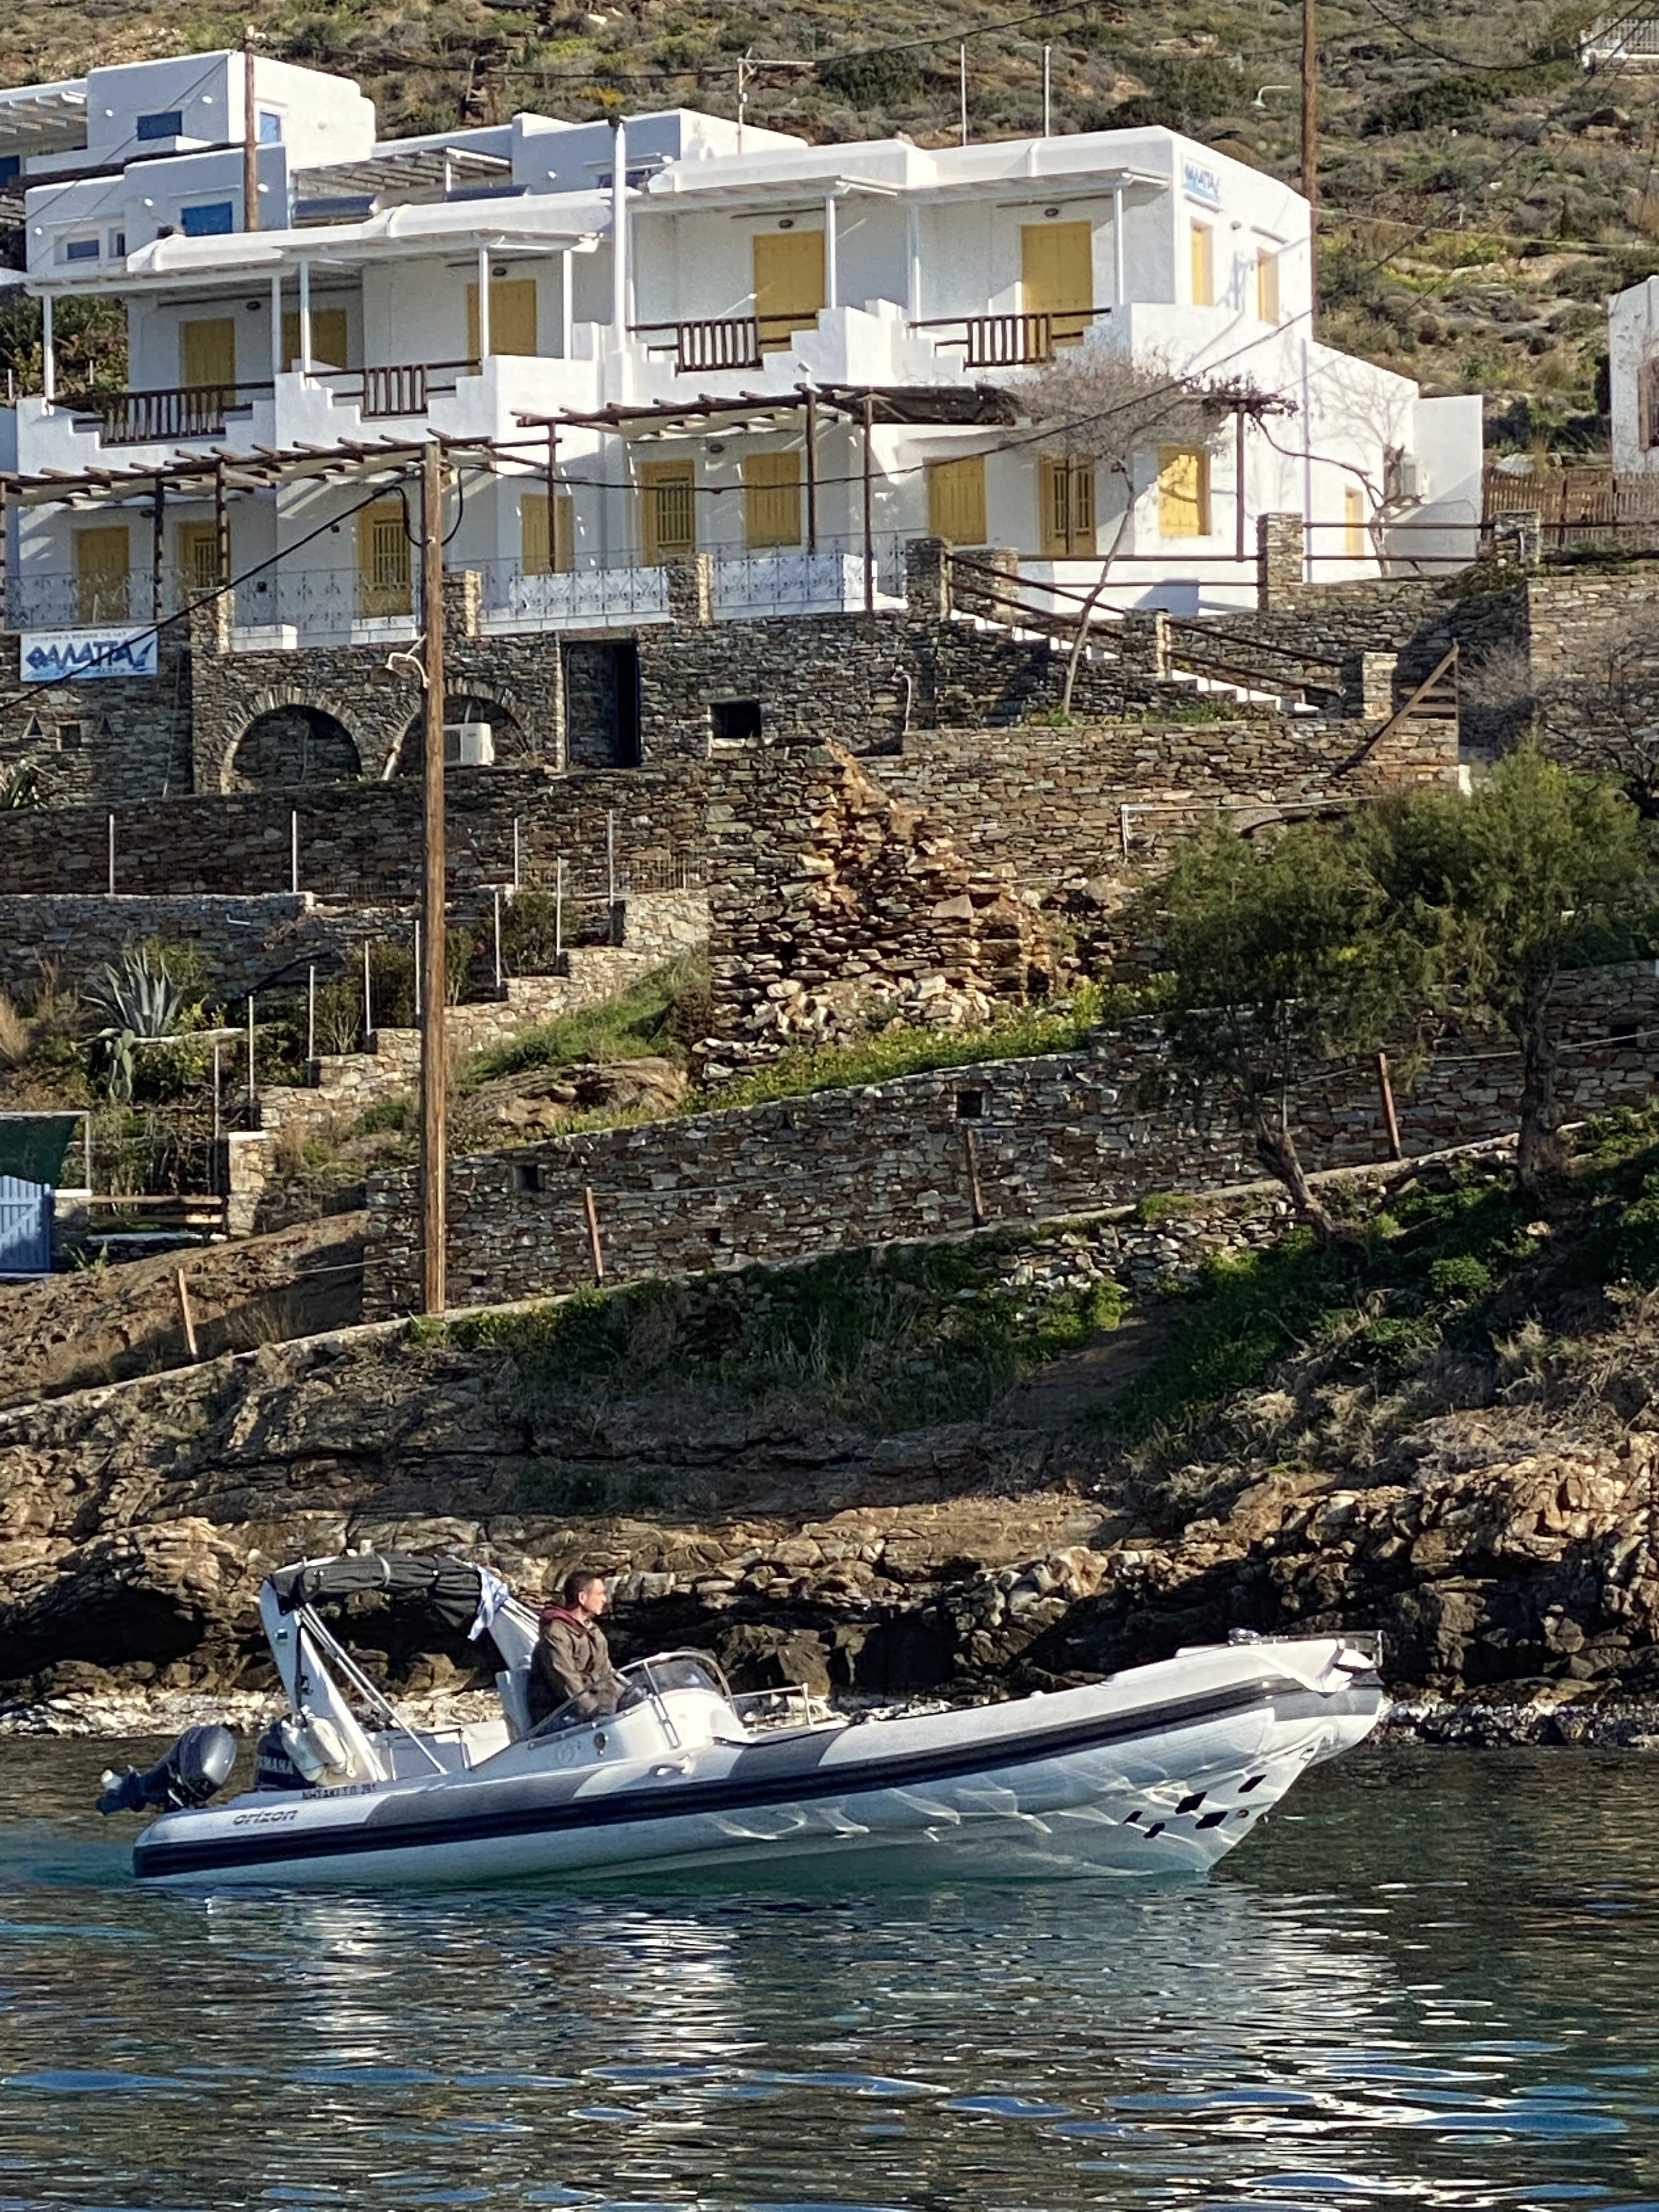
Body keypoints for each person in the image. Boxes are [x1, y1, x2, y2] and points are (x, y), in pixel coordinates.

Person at [528, 1568, 624, 1729]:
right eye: (600, 1594)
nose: (605, 1599)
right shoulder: (555, 1634)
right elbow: (568, 1683)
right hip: (558, 1713)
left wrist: (629, 1696)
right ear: (582, 1597)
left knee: (639, 1702)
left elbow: (607, 1675)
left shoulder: (593, 1631)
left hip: (594, 1705)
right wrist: (596, 1713)